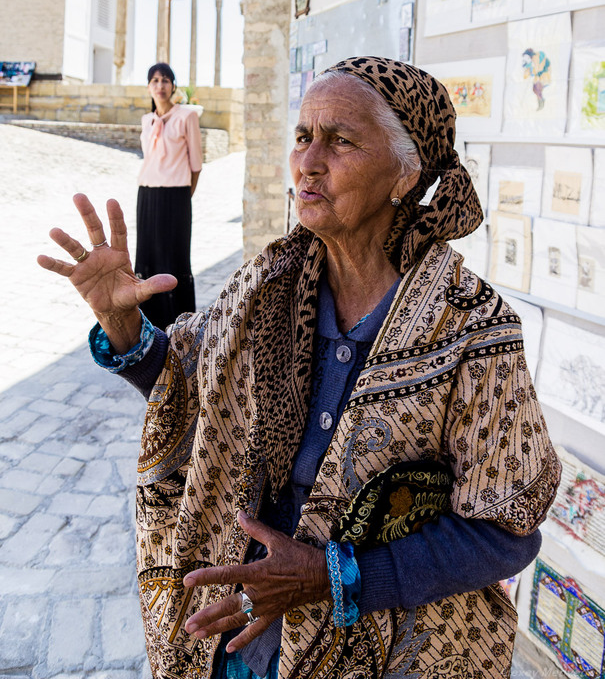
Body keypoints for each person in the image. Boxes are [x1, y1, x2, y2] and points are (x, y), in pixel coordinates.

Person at [38, 57, 561, 679]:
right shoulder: (268, 286)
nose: (308, 162)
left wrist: (333, 577)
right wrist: (120, 323)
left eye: (341, 141)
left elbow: (508, 528)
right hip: (240, 643)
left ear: (405, 172)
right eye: (303, 137)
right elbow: (188, 392)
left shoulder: (471, 325)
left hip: (389, 652)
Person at [134, 62, 203, 330]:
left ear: (173, 86)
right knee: (148, 258)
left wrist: (184, 198)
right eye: (155, 80)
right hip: (147, 196)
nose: (160, 86)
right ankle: (150, 324)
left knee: (174, 258)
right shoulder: (147, 120)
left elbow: (196, 165)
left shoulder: (187, 117)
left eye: (165, 80)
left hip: (176, 197)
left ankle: (181, 325)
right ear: (149, 86)